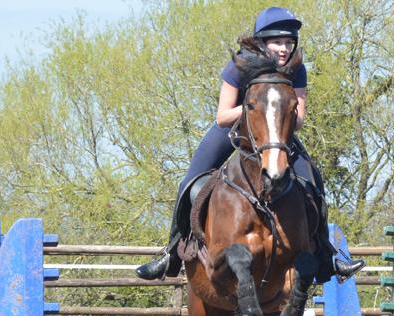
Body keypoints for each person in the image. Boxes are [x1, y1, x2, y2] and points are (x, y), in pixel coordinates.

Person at [135, 6, 365, 283]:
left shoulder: (296, 69)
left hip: (275, 133)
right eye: (278, 42)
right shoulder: (239, 65)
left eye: (289, 42)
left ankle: (328, 257)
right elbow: (222, 116)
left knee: (312, 181)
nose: (284, 48)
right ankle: (170, 253)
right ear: (262, 42)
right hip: (233, 130)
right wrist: (254, 108)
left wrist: (274, 111)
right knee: (189, 183)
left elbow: (299, 118)